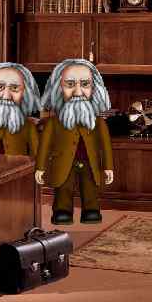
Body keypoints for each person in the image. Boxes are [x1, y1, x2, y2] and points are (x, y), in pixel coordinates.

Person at [35, 59, 114, 225]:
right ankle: (62, 211)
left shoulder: (99, 123)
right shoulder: (53, 123)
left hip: (90, 162)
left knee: (90, 188)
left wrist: (108, 167)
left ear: (94, 89)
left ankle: (91, 210)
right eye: (70, 84)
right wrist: (40, 167)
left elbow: (106, 146)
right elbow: (44, 146)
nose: (78, 91)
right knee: (63, 187)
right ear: (58, 89)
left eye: (85, 84)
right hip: (63, 162)